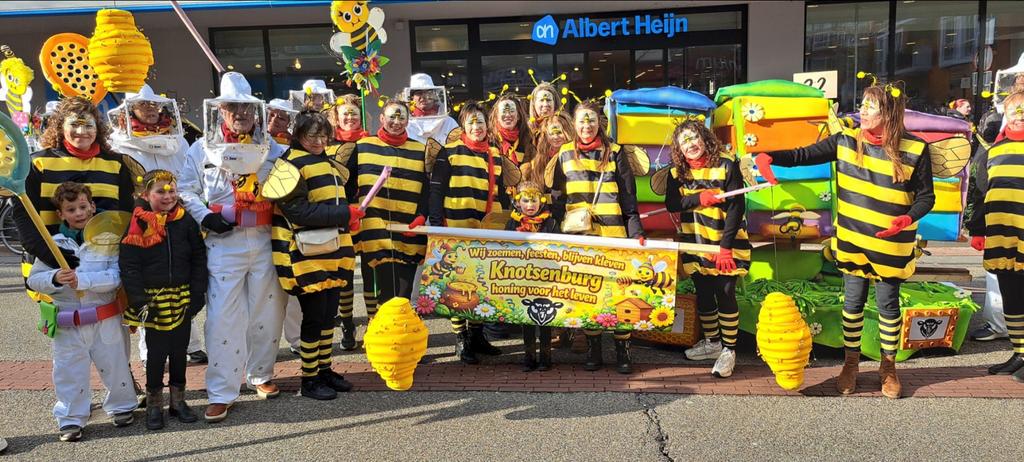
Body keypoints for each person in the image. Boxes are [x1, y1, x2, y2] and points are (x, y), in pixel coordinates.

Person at [756, 84, 935, 399]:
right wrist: (770, 156)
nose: (862, 111)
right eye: (862, 104)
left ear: (889, 113)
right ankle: (850, 364)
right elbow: (804, 155)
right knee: (851, 305)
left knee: (888, 306)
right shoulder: (846, 141)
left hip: (890, 245)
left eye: (870, 106)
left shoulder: (916, 149)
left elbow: (926, 196)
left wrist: (908, 218)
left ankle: (888, 367)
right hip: (853, 240)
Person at [178, 72, 287, 422]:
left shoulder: (274, 148)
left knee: (267, 311)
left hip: (266, 240)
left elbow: (296, 181)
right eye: (232, 106)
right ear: (221, 109)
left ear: (255, 110)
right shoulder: (201, 149)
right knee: (223, 318)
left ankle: (262, 374)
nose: (240, 112)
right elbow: (185, 189)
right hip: (222, 243)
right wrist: (204, 217)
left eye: (246, 106)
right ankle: (222, 390)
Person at [27, 182, 136, 442]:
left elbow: (116, 277)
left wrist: (84, 281)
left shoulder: (107, 242)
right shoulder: (53, 245)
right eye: (71, 209)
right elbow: (34, 280)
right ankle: (71, 417)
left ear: (92, 207)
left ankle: (122, 406)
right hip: (68, 321)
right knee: (68, 370)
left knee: (115, 363)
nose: (78, 213)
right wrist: (55, 277)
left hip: (105, 316)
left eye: (83, 207)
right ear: (61, 214)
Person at [108, 84, 208, 367]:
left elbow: (190, 178)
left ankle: (191, 343)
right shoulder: (119, 145)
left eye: (154, 105)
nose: (151, 109)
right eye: (144, 105)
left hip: (179, 218)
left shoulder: (178, 139)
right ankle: (149, 348)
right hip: (141, 222)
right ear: (131, 110)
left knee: (181, 279)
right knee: (150, 284)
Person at [265, 110, 361, 400]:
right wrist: (345, 213)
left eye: (323, 135)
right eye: (312, 136)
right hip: (304, 254)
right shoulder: (288, 164)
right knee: (314, 317)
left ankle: (324, 368)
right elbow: (298, 211)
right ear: (298, 136)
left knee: (328, 315)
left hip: (331, 250)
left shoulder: (326, 161)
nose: (319, 141)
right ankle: (309, 378)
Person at [550, 100, 644, 374]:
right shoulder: (565, 153)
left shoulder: (615, 152)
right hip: (580, 236)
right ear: (574, 125)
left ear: (599, 122)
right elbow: (558, 196)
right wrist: (554, 230)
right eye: (581, 121)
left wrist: (635, 230)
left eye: (591, 120)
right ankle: (593, 349)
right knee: (588, 291)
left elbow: (629, 196)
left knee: (619, 291)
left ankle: (623, 350)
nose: (586, 126)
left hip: (613, 233)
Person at [120, 170, 206, 430]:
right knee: (157, 353)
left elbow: (198, 258)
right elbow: (129, 265)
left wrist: (197, 292)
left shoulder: (186, 220)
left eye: (171, 190)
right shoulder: (137, 223)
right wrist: (138, 300)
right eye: (160, 191)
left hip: (181, 295)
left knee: (180, 351)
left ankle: (178, 401)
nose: (168, 196)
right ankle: (154, 404)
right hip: (153, 299)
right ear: (145, 195)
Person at [665, 120, 751, 378]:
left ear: (704, 138)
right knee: (703, 292)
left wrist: (725, 248)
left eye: (694, 138)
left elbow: (737, 206)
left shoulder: (726, 164)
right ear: (678, 148)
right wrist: (698, 199)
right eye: (684, 142)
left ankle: (729, 351)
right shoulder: (676, 173)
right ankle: (712, 343)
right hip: (696, 240)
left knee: (725, 293)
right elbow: (672, 203)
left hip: (726, 241)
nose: (691, 145)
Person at [427, 100, 509, 364]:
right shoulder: (449, 151)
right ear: (463, 124)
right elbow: (436, 189)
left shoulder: (495, 153)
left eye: (481, 122)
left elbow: (504, 193)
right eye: (471, 122)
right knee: (457, 285)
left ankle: (477, 335)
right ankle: (460, 337)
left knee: (482, 282)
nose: (477, 127)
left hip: (488, 229)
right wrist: (438, 224)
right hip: (457, 227)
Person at [13, 96, 135, 271]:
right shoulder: (38, 164)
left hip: (105, 266)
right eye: (74, 124)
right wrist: (51, 255)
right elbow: (24, 216)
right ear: (61, 127)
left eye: (88, 125)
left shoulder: (117, 164)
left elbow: (126, 215)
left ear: (97, 128)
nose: (81, 131)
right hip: (52, 267)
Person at [967, 91, 1024, 382]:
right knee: (1012, 299)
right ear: (1006, 115)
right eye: (1015, 110)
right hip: (1001, 237)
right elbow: (979, 193)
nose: (1021, 114)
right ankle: (1020, 352)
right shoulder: (991, 152)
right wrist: (976, 230)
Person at [347, 99, 428, 304]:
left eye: (402, 117)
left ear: (409, 121)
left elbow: (428, 189)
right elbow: (348, 185)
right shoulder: (363, 146)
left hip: (409, 230)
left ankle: (401, 334)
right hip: (377, 231)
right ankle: (385, 332)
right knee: (386, 293)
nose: (396, 121)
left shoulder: (420, 150)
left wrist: (421, 215)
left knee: (404, 293)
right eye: (392, 116)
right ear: (382, 118)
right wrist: (350, 211)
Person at [505, 181, 558, 371]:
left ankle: (546, 357)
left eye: (534, 200)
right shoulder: (512, 223)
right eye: (525, 201)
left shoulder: (551, 223)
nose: (530, 205)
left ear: (541, 201)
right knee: (526, 318)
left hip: (545, 279)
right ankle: (528, 357)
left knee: (545, 319)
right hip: (522, 278)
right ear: (518, 202)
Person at [406, 73, 459, 145]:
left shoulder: (449, 122)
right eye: (419, 93)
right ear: (412, 97)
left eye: (428, 92)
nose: (424, 97)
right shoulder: (406, 123)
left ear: (434, 95)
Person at [490, 94, 533, 167]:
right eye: (503, 111)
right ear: (497, 116)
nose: (507, 115)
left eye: (511, 111)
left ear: (518, 116)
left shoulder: (527, 140)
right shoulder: (490, 140)